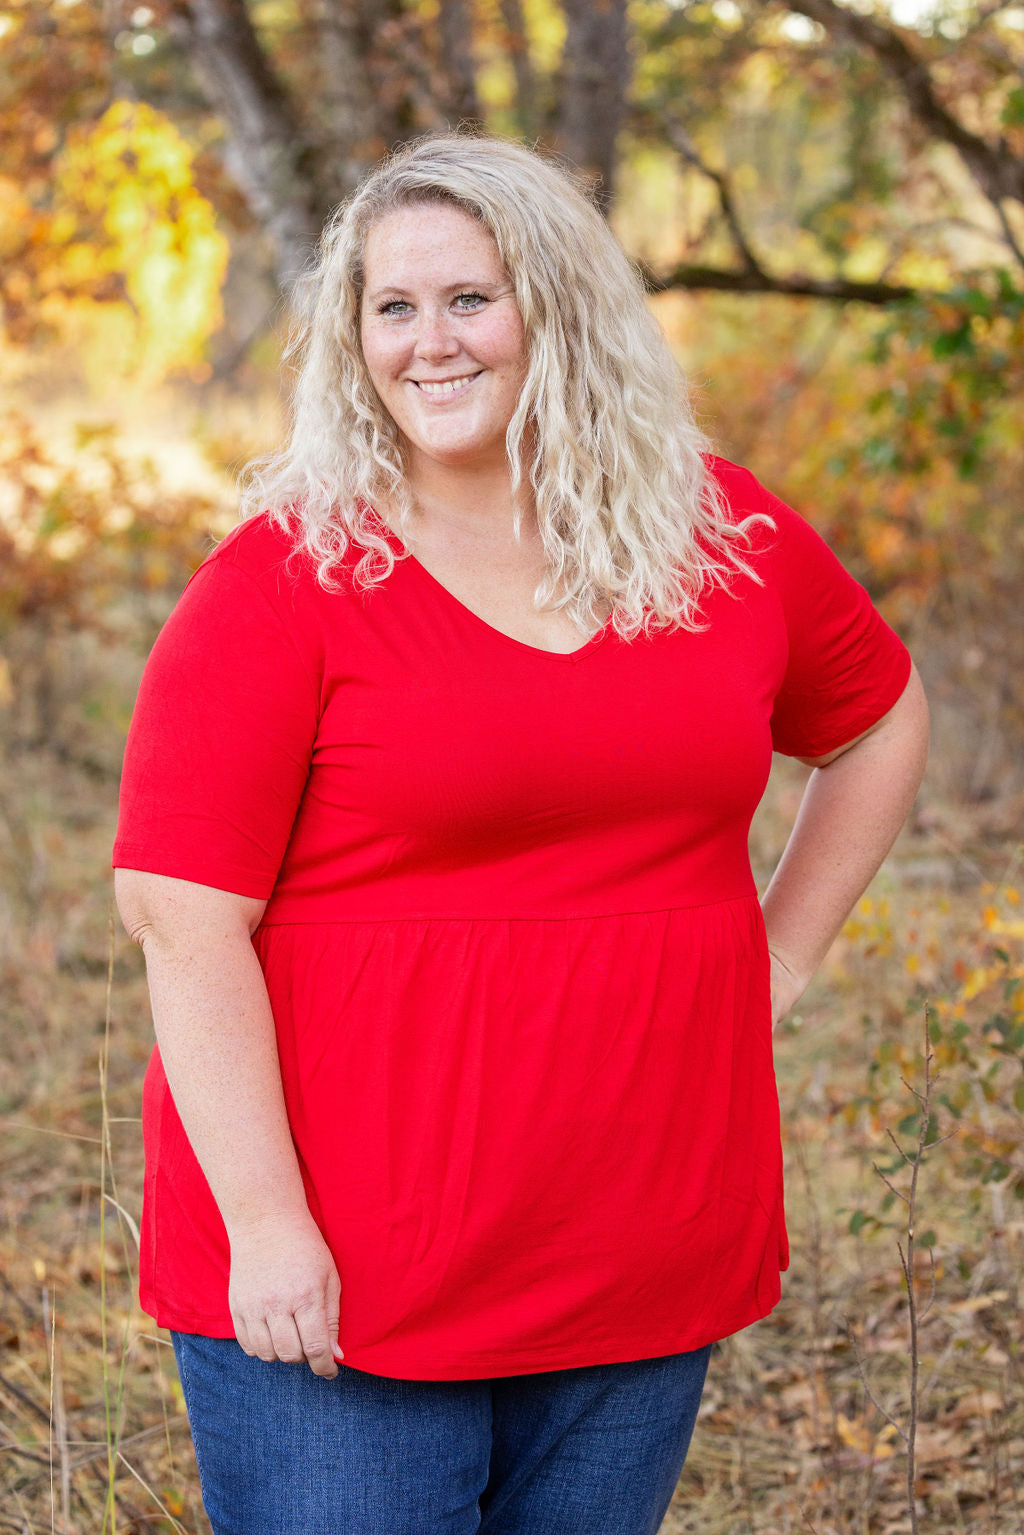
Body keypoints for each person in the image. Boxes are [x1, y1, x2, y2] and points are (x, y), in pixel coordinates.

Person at [111, 130, 929, 1535]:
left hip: (642, 1232)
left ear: (558, 305)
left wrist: (774, 962)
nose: (431, 343)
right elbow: (181, 919)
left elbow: (878, 718)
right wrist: (268, 1226)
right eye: (393, 306)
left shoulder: (716, 535)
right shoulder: (288, 577)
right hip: (351, 1270)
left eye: (471, 298)